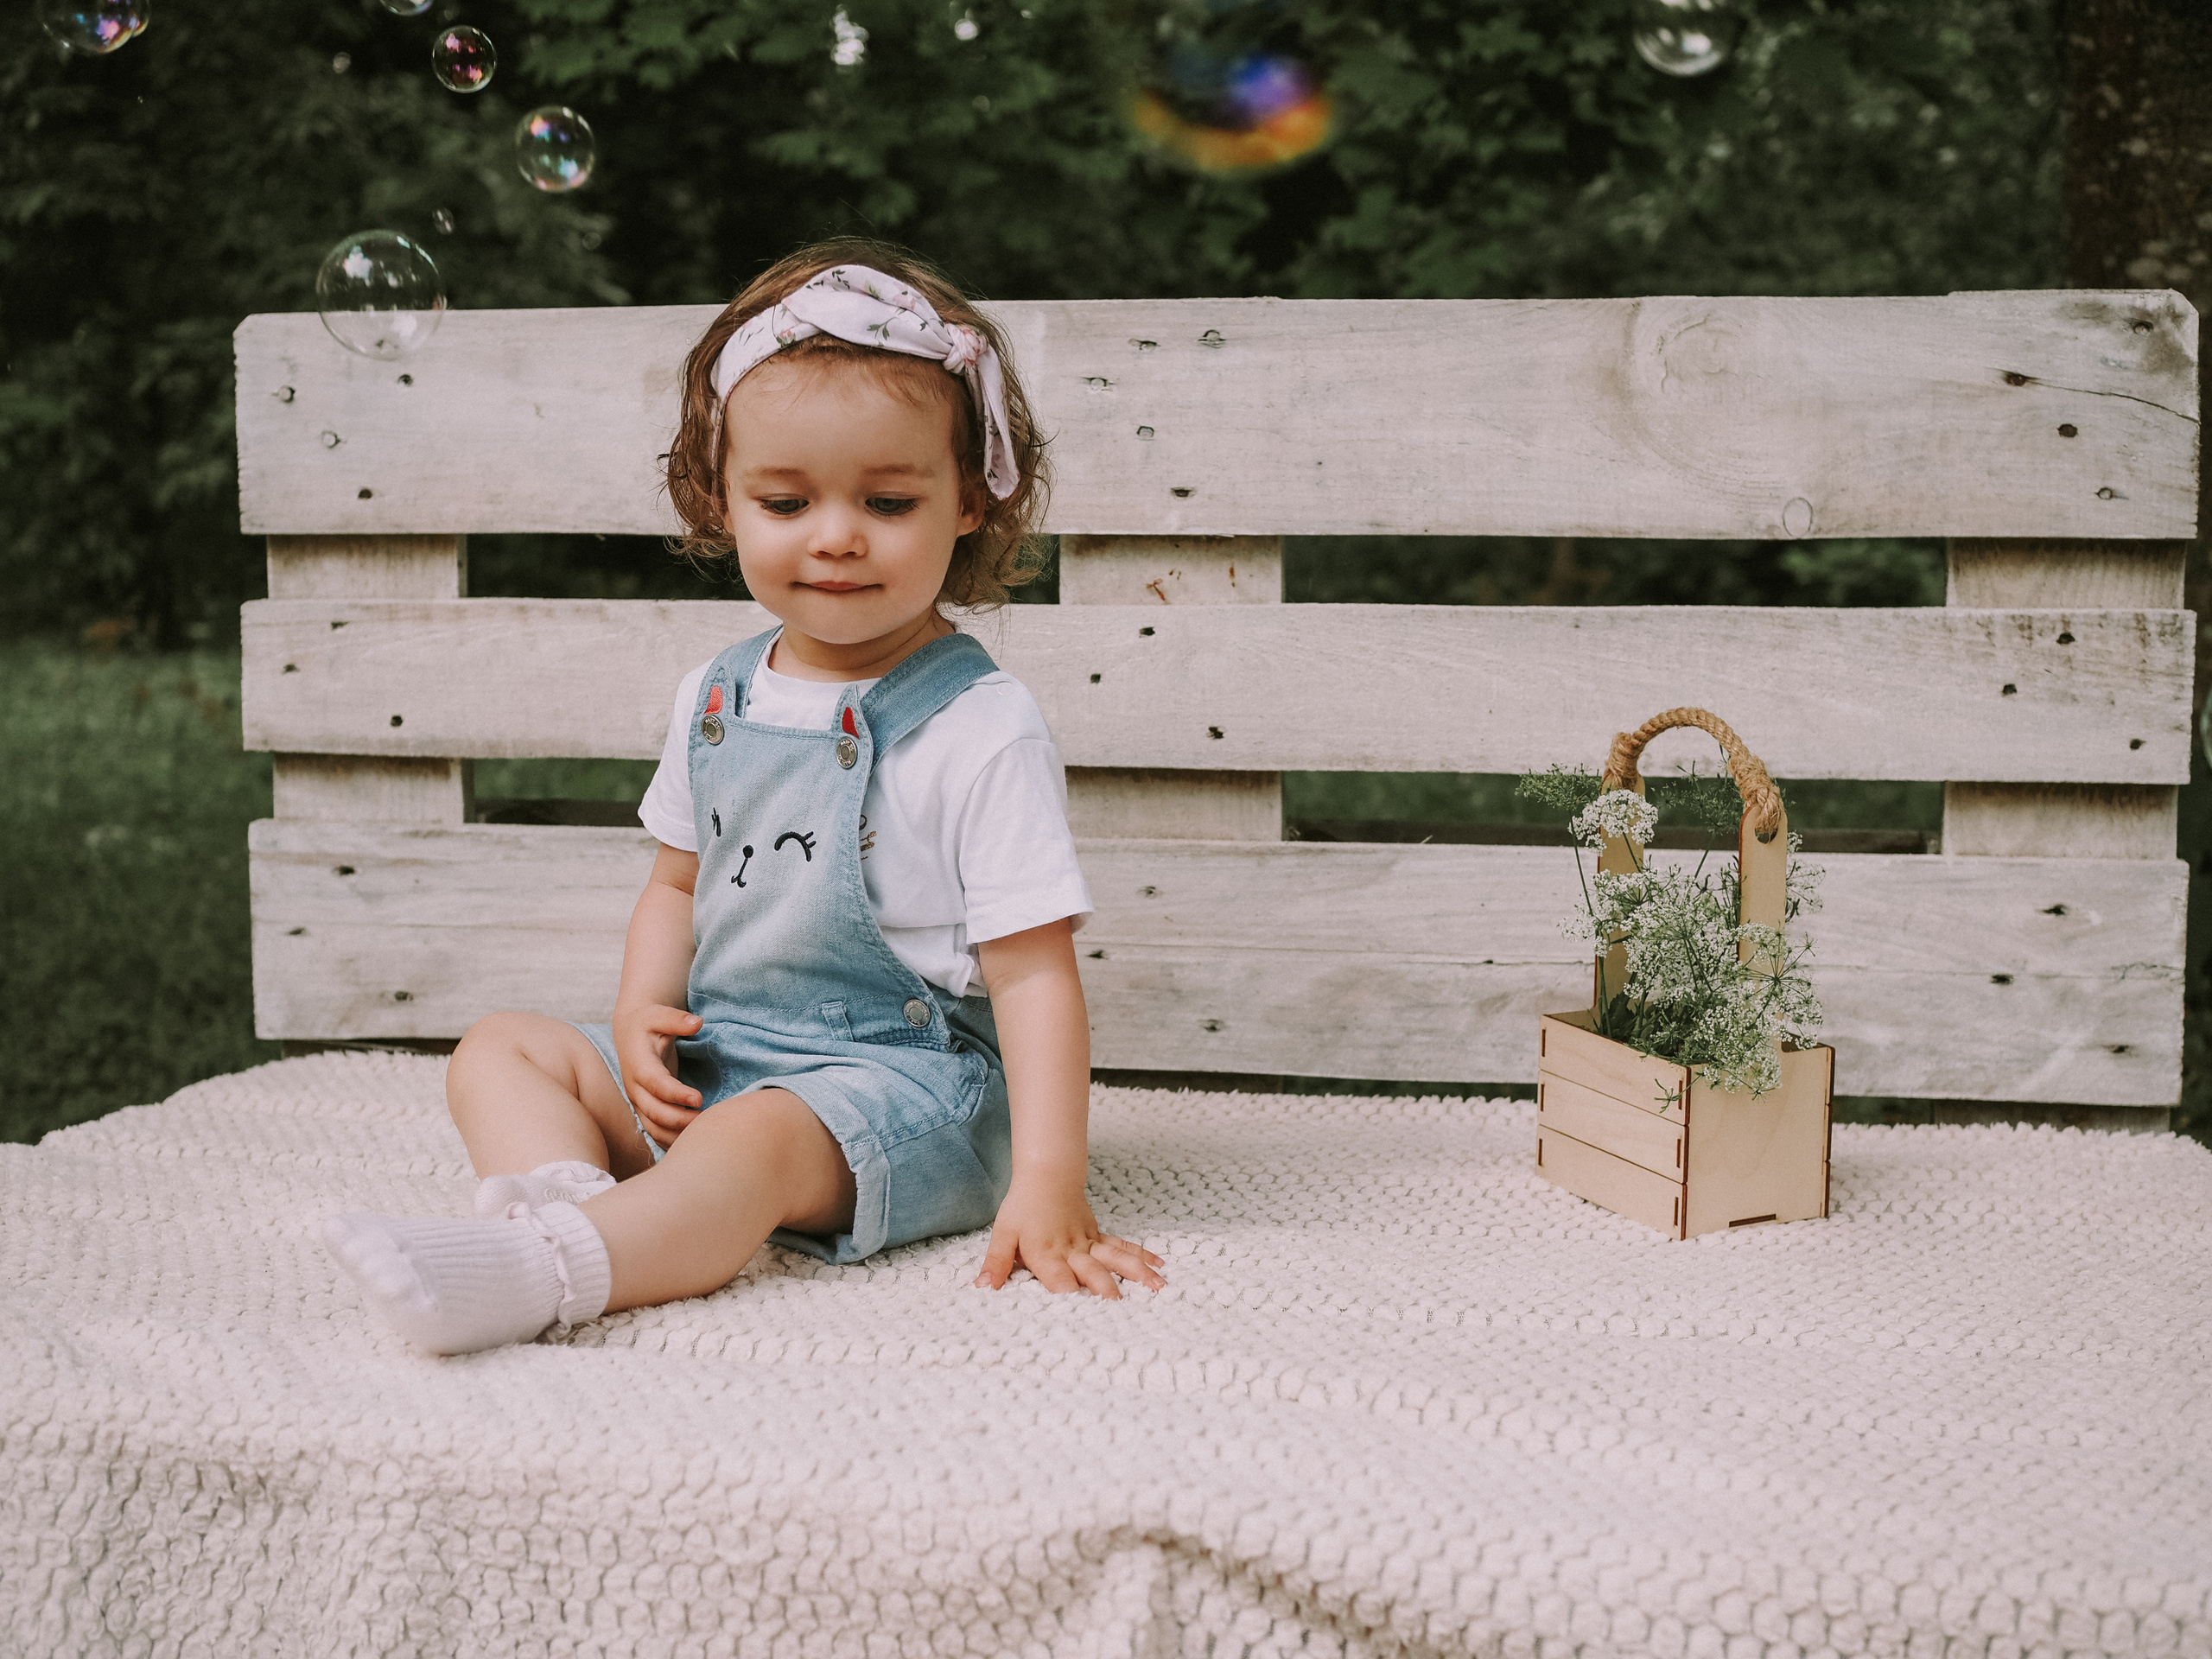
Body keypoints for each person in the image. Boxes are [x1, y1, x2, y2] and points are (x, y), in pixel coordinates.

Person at [323, 240, 1166, 1355]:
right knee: (503, 1048)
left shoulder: (980, 724)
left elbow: (1034, 972)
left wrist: (1050, 1182)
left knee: (753, 1147)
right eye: (785, 498)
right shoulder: (718, 694)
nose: (835, 535)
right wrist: (638, 1016)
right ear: (722, 502)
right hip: (726, 1051)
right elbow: (676, 880)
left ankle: (551, 1270)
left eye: (889, 499)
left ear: (970, 504)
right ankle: (574, 1199)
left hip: (902, 1086)